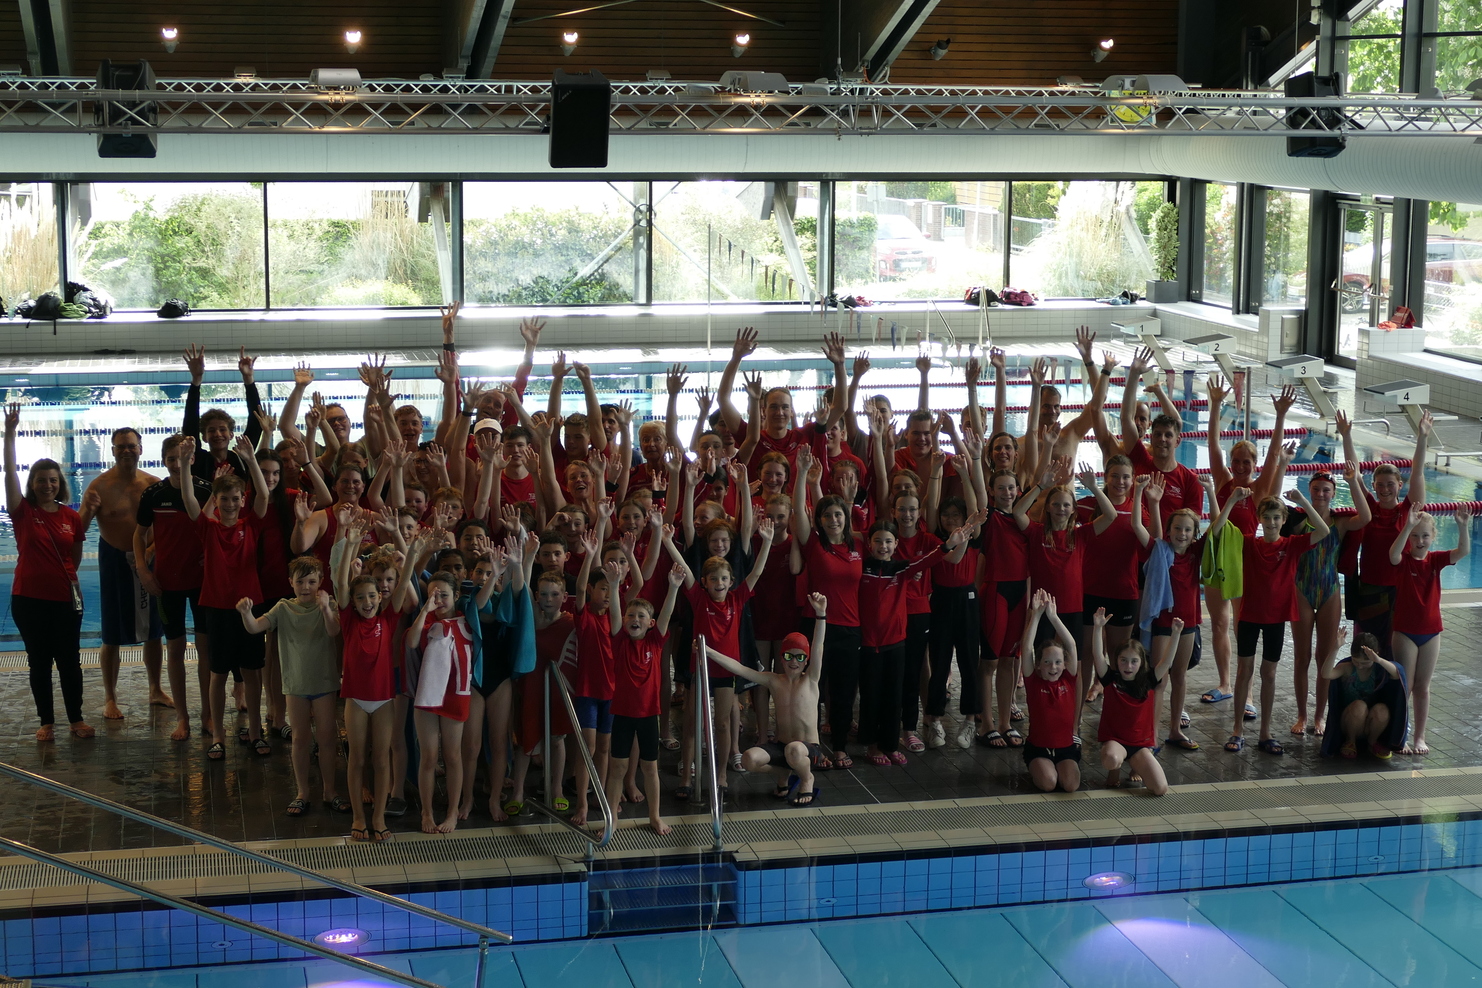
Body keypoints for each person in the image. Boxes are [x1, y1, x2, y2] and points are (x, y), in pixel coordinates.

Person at [1199, 376, 1297, 711]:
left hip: (1244, 562)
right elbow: (1213, 446)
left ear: (1254, 467)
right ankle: (1226, 683)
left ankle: (1249, 693)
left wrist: (1281, 416)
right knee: (1219, 623)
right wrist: (1214, 405)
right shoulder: (1224, 481)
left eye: (1247, 463)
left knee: (1243, 626)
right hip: (1217, 557)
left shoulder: (1258, 489)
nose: (1241, 467)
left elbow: (1273, 454)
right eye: (1237, 461)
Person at [177, 436, 272, 761]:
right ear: (215, 501)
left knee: (251, 672)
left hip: (249, 610)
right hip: (216, 609)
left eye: (235, 498)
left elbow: (263, 494)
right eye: (225, 499)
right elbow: (189, 499)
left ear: (241, 500)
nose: (230, 504)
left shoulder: (251, 525)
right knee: (218, 674)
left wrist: (250, 459)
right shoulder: (209, 529)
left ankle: (256, 730)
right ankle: (218, 734)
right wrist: (188, 464)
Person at [4, 403, 93, 742]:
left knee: (69, 661)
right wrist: (10, 435)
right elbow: (9, 473)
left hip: (65, 601)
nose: (48, 485)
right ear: (34, 484)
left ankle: (76, 719)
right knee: (39, 662)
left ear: (60, 484)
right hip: (28, 598)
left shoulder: (71, 518)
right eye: (42, 481)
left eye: (53, 480)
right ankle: (46, 722)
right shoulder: (22, 511)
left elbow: (75, 557)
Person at [237, 556, 344, 819]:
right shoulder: (283, 608)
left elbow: (334, 631)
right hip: (295, 685)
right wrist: (245, 613)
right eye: (300, 582)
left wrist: (327, 610)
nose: (306, 587)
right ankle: (302, 792)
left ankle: (329, 791)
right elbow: (255, 628)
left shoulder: (328, 605)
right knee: (299, 739)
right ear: (291, 583)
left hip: (324, 683)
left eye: (311, 581)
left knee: (327, 739)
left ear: (321, 582)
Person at [1227, 484, 1328, 756]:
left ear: (1284, 521)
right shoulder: (1249, 543)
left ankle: (1265, 732)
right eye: (1267, 517)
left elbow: (1324, 531)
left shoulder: (1292, 546)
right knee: (1243, 672)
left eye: (1276, 518)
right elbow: (1219, 530)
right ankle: (1237, 729)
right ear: (1260, 519)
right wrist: (1230, 501)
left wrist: (1303, 502)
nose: (1271, 522)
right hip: (1249, 616)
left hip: (1275, 621)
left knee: (1268, 674)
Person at [707, 592, 829, 806]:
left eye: (800, 657)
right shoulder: (774, 680)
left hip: (808, 748)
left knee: (795, 750)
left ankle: (806, 778)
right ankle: (784, 771)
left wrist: (821, 615)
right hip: (784, 747)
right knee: (748, 759)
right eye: (789, 656)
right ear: (781, 658)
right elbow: (741, 668)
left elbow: (818, 646)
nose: (794, 662)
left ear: (806, 660)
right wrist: (709, 652)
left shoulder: (810, 679)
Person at [78, 426, 166, 720]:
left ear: (141, 448)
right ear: (112, 451)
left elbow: (167, 529)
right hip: (114, 559)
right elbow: (77, 531)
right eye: (120, 446)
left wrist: (149, 553)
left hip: (149, 557)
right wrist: (86, 511)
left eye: (131, 445)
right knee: (111, 632)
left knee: (153, 630)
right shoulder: (98, 487)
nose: (126, 451)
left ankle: (155, 689)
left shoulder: (154, 484)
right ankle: (110, 697)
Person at [1285, 440, 1371, 737]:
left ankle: (1319, 716)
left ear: (1333, 494)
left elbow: (1367, 516)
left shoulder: (1341, 522)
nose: (1321, 494)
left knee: (1325, 657)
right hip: (1302, 590)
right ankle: (1300, 714)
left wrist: (1354, 480)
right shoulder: (1296, 523)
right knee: (1302, 657)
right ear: (1309, 491)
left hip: (1330, 590)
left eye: (1326, 491)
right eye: (1317, 489)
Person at [136, 434, 216, 741]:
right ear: (163, 460)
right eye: (170, 458)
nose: (176, 463)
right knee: (175, 649)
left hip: (201, 583)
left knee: (205, 649)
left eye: (182, 458)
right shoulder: (153, 495)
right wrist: (143, 569)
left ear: (192, 459)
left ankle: (207, 715)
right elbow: (138, 535)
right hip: (166, 583)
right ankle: (183, 718)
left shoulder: (206, 491)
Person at [792, 445, 864, 768]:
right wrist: (803, 474)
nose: (834, 519)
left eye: (838, 515)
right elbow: (797, 510)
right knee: (814, 690)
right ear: (819, 520)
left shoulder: (858, 544)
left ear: (845, 517)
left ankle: (838, 745)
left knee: (844, 689)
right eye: (827, 515)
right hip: (816, 625)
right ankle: (813, 746)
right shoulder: (815, 546)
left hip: (849, 628)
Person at [603, 560, 683, 834]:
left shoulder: (655, 642)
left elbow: (667, 615)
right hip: (623, 714)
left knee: (650, 768)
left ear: (650, 624)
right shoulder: (619, 640)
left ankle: (654, 816)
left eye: (640, 617)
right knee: (617, 768)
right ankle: (612, 818)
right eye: (630, 615)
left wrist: (672, 588)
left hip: (650, 715)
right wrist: (614, 586)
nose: (634, 619)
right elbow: (614, 612)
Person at [1389, 504, 1471, 755]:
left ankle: (1420, 737)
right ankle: (1400, 734)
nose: (1420, 540)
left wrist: (1462, 526)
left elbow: (1463, 551)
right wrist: (1408, 526)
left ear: (1433, 537)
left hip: (1431, 632)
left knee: (1423, 687)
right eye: (1415, 535)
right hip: (1404, 632)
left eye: (1425, 535)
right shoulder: (1403, 562)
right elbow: (1393, 554)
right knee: (1406, 686)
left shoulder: (1436, 560)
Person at [1354, 413, 1432, 659]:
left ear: (1400, 485)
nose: (1385, 489)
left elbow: (1418, 471)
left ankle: (1390, 695)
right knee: (1365, 649)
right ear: (1374, 486)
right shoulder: (1368, 507)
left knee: (1395, 650)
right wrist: (1346, 435)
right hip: (1368, 588)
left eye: (1390, 484)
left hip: (1401, 588)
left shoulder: (1408, 509)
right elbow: (1354, 472)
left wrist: (1422, 437)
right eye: (1380, 485)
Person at [407, 567, 475, 834]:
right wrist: (425, 609)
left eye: (444, 595)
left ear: (456, 595)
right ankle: (426, 812)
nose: (439, 600)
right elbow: (411, 642)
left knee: (453, 756)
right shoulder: (426, 623)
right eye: (433, 595)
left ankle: (451, 813)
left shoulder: (468, 620)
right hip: (428, 695)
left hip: (455, 695)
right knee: (429, 757)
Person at [1091, 609, 1177, 795]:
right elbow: (1098, 656)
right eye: (1123, 660)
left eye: (1133, 661)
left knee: (1160, 789)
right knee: (1111, 758)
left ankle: (1136, 766)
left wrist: (1176, 634)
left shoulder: (1148, 680)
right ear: (1117, 661)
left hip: (1139, 745)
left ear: (1141, 663)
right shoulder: (1110, 678)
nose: (1128, 666)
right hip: (1116, 742)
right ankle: (1114, 772)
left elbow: (1166, 661)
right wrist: (1098, 629)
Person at [1018, 590, 1080, 793]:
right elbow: (1027, 649)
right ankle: (1040, 768)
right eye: (1047, 662)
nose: (1053, 667)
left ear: (1065, 664)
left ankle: (1058, 768)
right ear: (1038, 666)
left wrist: (1054, 617)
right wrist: (1035, 616)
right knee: (1048, 784)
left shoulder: (1068, 680)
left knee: (1071, 786)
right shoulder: (1034, 682)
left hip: (1066, 748)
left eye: (1058, 662)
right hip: (1039, 749)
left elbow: (1071, 644)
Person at [1319, 629, 1407, 759]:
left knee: (1382, 709)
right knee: (1359, 706)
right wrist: (1335, 648)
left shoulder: (1380, 669)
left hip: (1371, 723)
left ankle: (1373, 741)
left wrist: (1379, 660)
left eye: (1365, 663)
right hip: (1349, 721)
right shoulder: (1347, 668)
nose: (1359, 666)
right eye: (1356, 661)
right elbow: (1326, 674)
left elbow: (1397, 673)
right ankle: (1350, 741)